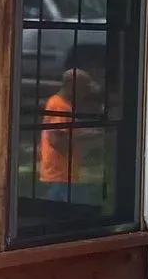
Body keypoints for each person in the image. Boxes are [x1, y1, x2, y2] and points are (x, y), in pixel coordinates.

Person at [38, 48, 105, 203]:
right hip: (59, 173)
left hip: (64, 173)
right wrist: (87, 136)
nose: (85, 94)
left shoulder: (60, 103)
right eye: (84, 89)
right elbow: (57, 142)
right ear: (72, 86)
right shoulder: (60, 107)